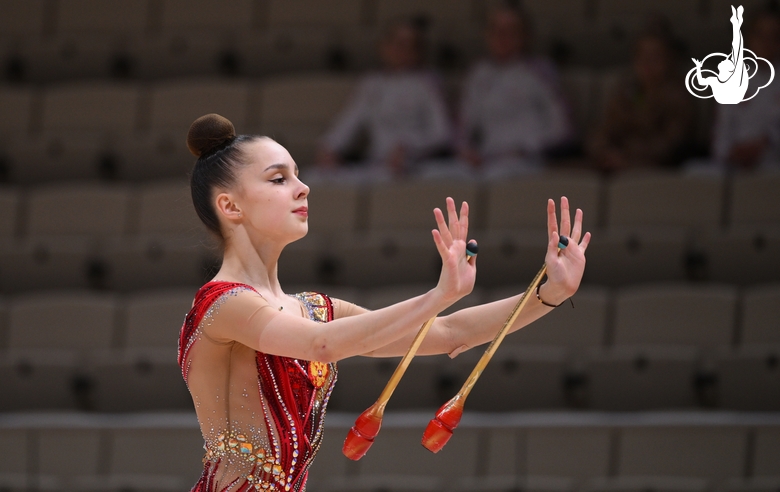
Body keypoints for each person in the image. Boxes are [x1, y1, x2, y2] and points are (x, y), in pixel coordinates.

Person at [181, 113, 590, 492]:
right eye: (278, 179)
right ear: (230, 206)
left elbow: (448, 332)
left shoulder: (315, 310)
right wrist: (438, 295)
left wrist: (547, 295)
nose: (303, 187)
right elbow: (321, 345)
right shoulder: (223, 304)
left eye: (298, 175)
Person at [316, 18, 452, 180]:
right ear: (383, 46)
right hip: (377, 163)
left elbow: (442, 132)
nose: (401, 50)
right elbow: (349, 122)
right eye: (396, 43)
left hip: (417, 164)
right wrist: (330, 148)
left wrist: (410, 148)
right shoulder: (371, 84)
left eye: (409, 45)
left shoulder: (428, 83)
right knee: (315, 177)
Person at [459, 5, 573, 177]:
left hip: (526, 160)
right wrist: (466, 150)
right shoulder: (479, 73)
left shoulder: (541, 71)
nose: (502, 37)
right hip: (485, 159)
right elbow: (463, 126)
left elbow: (563, 128)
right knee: (431, 175)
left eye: (510, 31)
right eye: (496, 30)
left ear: (525, 35)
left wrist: (527, 148)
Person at [589, 30, 695, 172]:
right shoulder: (626, 90)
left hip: (657, 168)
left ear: (669, 60)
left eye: (655, 58)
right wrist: (604, 152)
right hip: (615, 163)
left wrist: (626, 158)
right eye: (642, 57)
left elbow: (670, 145)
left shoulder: (680, 97)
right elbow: (605, 128)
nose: (647, 64)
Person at [710, 7, 780, 170]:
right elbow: (720, 137)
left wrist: (765, 143)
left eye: (774, 36)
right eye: (760, 35)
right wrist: (732, 153)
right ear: (748, 37)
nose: (766, 42)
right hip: (734, 166)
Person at [692, 6, 749, 105]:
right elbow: (701, 82)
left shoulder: (734, 79)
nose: (726, 59)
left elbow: (737, 49)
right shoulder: (714, 80)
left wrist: (736, 26)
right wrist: (698, 67)